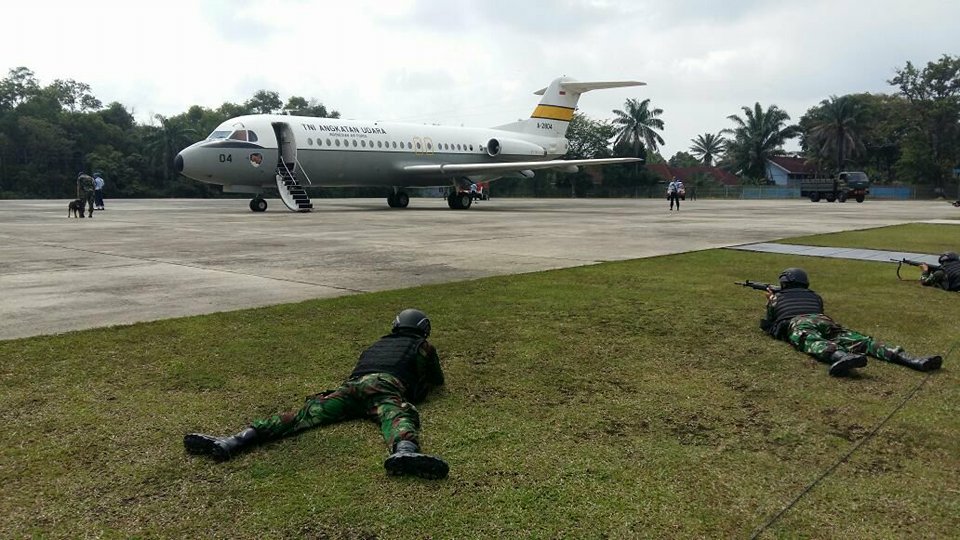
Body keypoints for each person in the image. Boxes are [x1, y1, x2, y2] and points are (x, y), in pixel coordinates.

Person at [184, 308, 449, 479]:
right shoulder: (421, 346)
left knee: (301, 416)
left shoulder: (378, 344)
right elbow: (436, 379)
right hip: (383, 387)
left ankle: (233, 441)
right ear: (423, 329)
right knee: (399, 414)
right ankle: (404, 450)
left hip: (350, 388)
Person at [759, 267, 942, 376]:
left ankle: (841, 357)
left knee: (812, 340)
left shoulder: (776, 298)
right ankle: (913, 360)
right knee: (863, 341)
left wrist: (770, 300)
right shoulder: (814, 296)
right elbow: (817, 308)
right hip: (825, 321)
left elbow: (771, 321)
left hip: (799, 322)